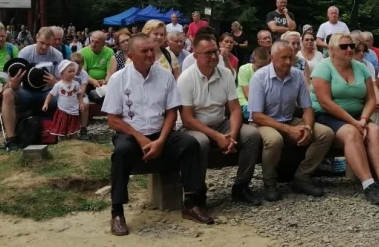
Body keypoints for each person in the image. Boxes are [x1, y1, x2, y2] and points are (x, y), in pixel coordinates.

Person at [102, 34, 213, 236]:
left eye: (151, 50)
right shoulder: (119, 79)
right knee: (122, 152)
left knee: (190, 144)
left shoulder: (165, 75)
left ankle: (191, 202)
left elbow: (172, 112)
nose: (150, 54)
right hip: (131, 134)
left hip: (160, 131)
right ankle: (117, 212)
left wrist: (161, 140)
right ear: (130, 55)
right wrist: (139, 137)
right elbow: (113, 120)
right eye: (144, 51)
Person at [311, 34, 379, 205]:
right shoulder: (322, 68)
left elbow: (370, 99)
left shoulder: (361, 68)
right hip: (327, 115)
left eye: (351, 46)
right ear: (331, 50)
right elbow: (325, 102)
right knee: (352, 134)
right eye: (344, 46)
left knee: (375, 131)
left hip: (357, 116)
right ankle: (368, 184)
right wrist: (354, 123)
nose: (349, 50)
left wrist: (363, 118)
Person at [178, 34, 262, 206]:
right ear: (196, 56)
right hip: (195, 126)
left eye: (215, 51)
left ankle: (241, 186)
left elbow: (235, 108)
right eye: (208, 53)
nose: (214, 56)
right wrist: (217, 137)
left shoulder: (225, 74)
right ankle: (198, 192)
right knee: (200, 143)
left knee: (252, 135)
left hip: (219, 122)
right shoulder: (186, 78)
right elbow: (187, 119)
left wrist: (232, 134)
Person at [248, 41, 334, 202]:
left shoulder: (297, 75)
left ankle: (302, 177)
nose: (288, 62)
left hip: (288, 119)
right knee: (274, 140)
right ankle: (270, 183)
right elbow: (257, 115)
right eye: (283, 58)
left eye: (291, 57)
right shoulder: (259, 78)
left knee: (325, 133)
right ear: (272, 58)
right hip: (263, 122)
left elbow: (307, 108)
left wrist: (307, 127)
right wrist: (289, 130)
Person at [0, 27, 63, 151]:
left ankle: (66, 133)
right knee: (7, 93)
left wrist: (55, 82)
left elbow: (63, 83)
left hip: (48, 93)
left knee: (67, 95)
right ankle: (11, 138)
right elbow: (14, 83)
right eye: (42, 43)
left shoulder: (57, 55)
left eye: (48, 44)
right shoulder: (25, 52)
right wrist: (14, 83)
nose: (44, 47)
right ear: (36, 39)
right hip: (26, 92)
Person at [42, 60, 84, 139]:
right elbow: (50, 94)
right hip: (63, 110)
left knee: (73, 129)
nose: (72, 73)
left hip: (74, 110)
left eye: (73, 71)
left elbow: (79, 94)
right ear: (62, 73)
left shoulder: (76, 84)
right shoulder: (59, 85)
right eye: (69, 71)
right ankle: (63, 142)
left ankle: (74, 142)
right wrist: (46, 103)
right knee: (62, 129)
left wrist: (81, 103)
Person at [236, 47, 270, 119]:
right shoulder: (244, 69)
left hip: (263, 103)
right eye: (260, 66)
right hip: (245, 103)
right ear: (252, 61)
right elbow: (247, 95)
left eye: (265, 66)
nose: (263, 69)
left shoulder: (269, 71)